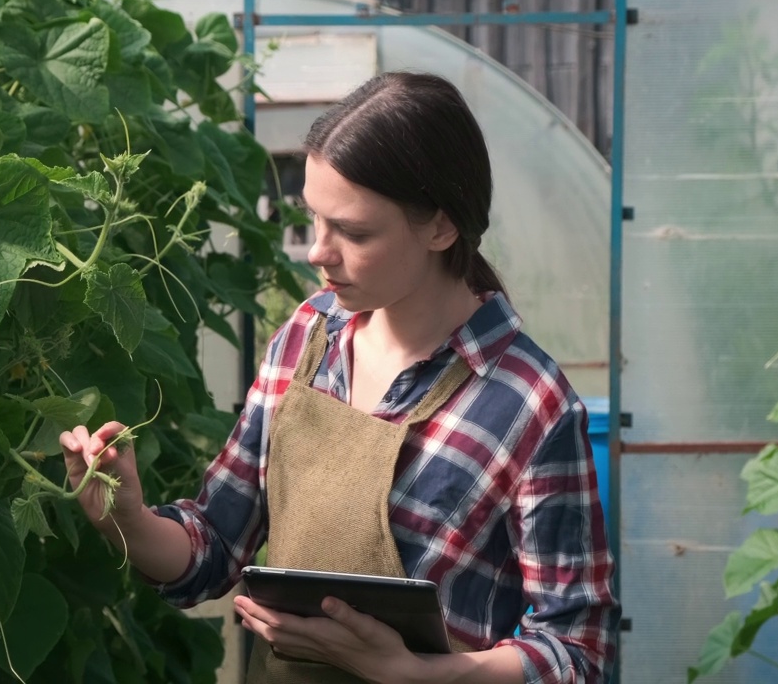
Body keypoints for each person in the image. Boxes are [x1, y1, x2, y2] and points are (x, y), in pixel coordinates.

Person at [60, 71, 619, 684]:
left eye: (353, 232)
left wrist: (412, 673)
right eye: (314, 219)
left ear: (440, 226)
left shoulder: (528, 405)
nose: (318, 251)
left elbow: (577, 652)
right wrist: (129, 518)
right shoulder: (307, 337)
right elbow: (215, 548)